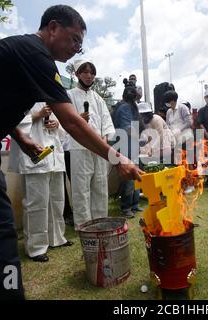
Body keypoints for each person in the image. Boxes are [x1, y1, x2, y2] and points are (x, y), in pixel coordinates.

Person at [0, 5, 142, 300]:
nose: (77, 48)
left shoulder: (28, 55)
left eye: (81, 44)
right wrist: (118, 158)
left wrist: (22, 137)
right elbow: (71, 121)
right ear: (53, 27)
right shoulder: (34, 52)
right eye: (74, 39)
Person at [9, 103, 71, 263]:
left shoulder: (51, 98)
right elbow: (11, 122)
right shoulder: (22, 95)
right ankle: (36, 247)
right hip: (34, 156)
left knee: (57, 200)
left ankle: (57, 238)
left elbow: (63, 133)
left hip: (54, 155)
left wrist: (57, 125)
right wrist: (37, 115)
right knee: (36, 203)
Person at [67, 59, 116, 229]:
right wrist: (79, 119)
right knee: (81, 188)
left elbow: (106, 121)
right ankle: (84, 225)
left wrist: (104, 139)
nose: (89, 76)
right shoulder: (69, 95)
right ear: (77, 74)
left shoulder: (98, 98)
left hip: (99, 148)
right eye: (85, 72)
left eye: (92, 73)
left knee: (101, 185)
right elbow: (65, 121)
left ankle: (101, 221)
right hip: (79, 148)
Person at [113, 84, 144, 218]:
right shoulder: (125, 107)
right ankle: (126, 207)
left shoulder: (131, 107)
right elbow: (127, 128)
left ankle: (134, 203)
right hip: (125, 145)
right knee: (129, 177)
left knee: (136, 174)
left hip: (132, 144)